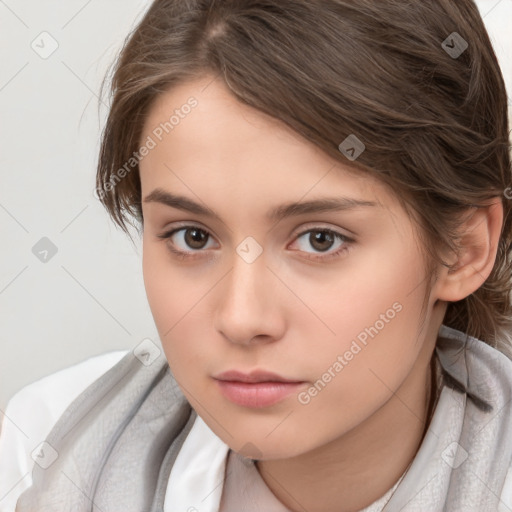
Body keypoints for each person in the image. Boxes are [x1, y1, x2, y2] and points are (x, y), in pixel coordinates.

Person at [1, 0, 512, 510]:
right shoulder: (44, 448)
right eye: (192, 237)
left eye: (320, 240)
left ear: (464, 251)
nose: (241, 319)